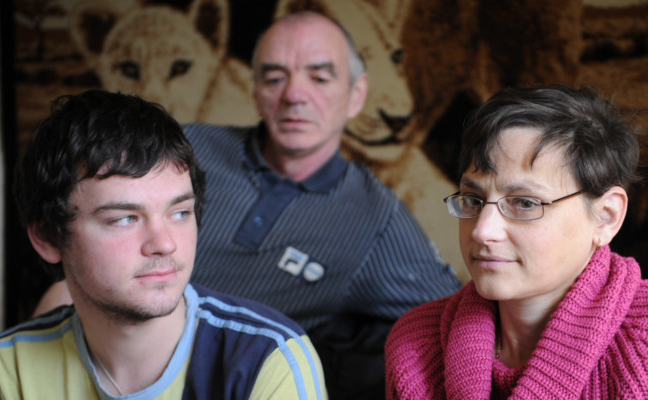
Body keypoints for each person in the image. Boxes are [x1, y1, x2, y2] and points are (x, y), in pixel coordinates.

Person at [34, 11, 462, 399]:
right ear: (254, 91)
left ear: (356, 94)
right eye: (275, 77)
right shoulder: (187, 147)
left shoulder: (375, 219)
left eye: (320, 77)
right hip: (102, 345)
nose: (294, 94)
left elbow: (463, 318)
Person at [0, 90, 326, 399]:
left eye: (179, 213)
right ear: (47, 237)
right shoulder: (2, 371)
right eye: (124, 218)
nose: (164, 244)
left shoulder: (267, 359)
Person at [385, 84, 648, 399]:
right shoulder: (414, 345)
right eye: (473, 199)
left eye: (525, 203)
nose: (483, 231)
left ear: (606, 216)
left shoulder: (641, 348)